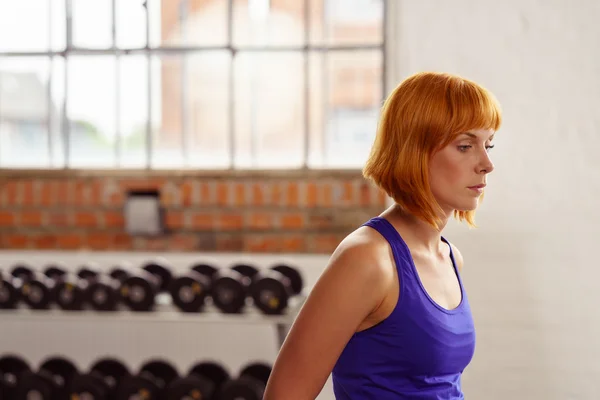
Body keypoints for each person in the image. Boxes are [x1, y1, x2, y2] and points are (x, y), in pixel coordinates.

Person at [263, 71, 502, 400]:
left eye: (488, 145)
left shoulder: (450, 258)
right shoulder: (367, 258)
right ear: (415, 151)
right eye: (465, 146)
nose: (487, 163)